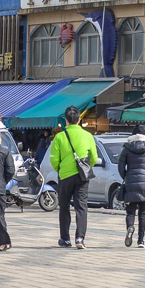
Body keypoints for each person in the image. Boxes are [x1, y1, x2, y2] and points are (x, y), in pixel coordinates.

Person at [49, 106, 98, 249]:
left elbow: (53, 159)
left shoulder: (59, 137)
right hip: (82, 176)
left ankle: (65, 239)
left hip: (65, 176)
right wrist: (86, 167)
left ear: (66, 121)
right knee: (81, 206)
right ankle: (80, 238)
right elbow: (94, 157)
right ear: (79, 119)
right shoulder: (88, 136)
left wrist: (60, 169)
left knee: (64, 207)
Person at [118, 124, 145, 248]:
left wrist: (126, 176)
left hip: (131, 182)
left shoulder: (127, 148)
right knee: (143, 213)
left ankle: (130, 227)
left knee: (131, 210)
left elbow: (120, 166)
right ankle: (141, 241)